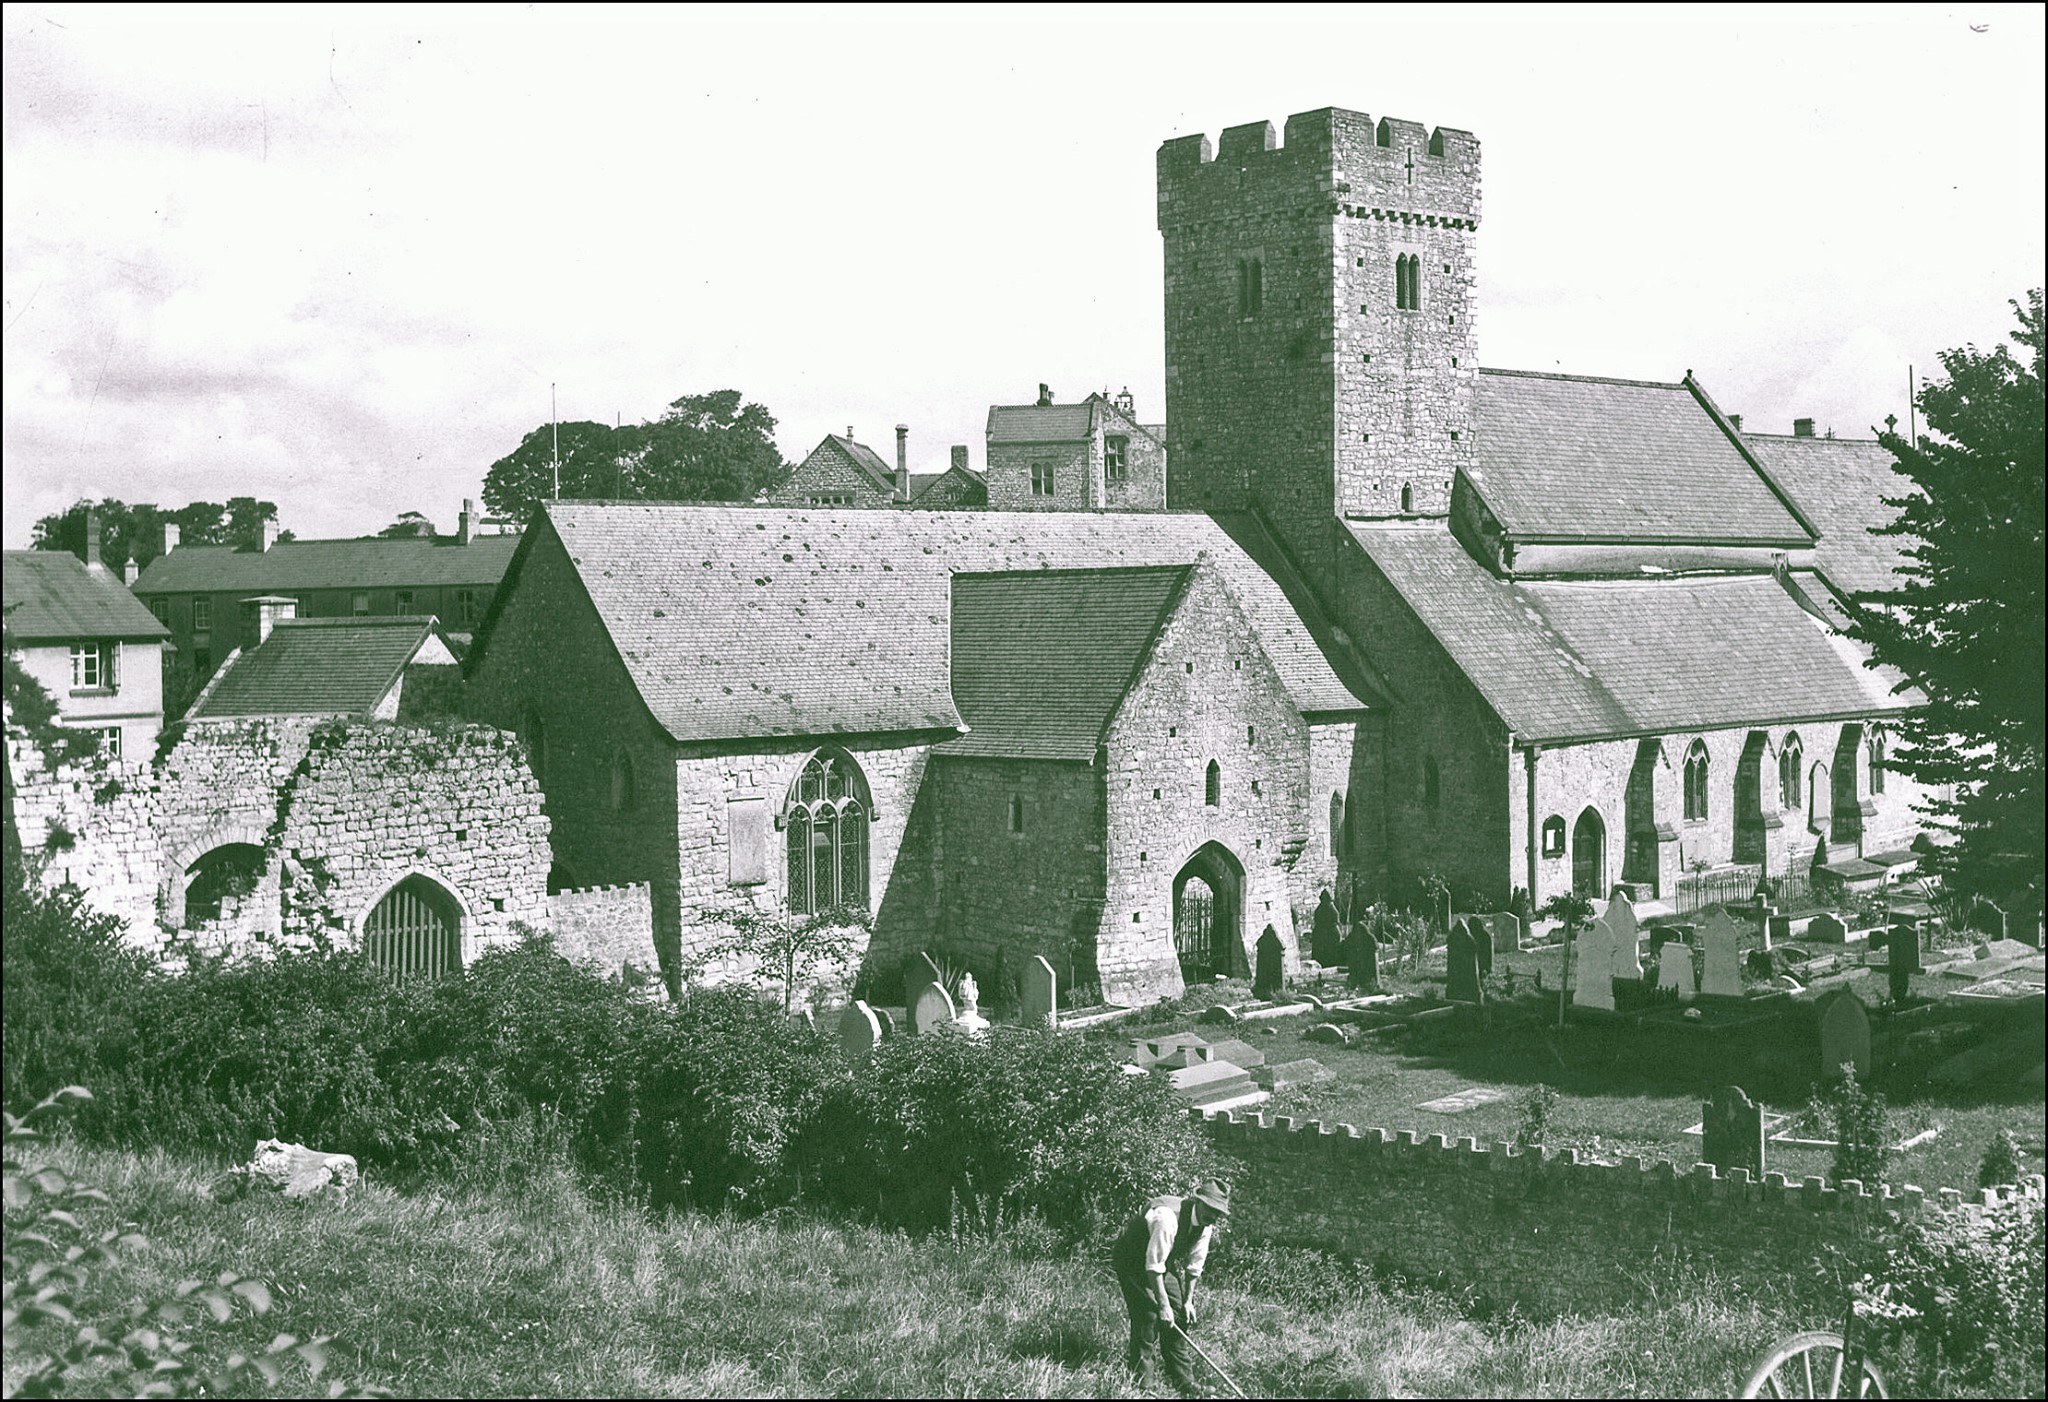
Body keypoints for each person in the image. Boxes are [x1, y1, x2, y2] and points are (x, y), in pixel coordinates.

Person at [1109, 1179, 1230, 1392]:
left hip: (1161, 1262)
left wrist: (1188, 1301)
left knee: (1180, 1315)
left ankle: (1185, 1382)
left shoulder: (1206, 1226)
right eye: (1210, 1208)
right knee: (1149, 1314)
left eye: (1217, 1213)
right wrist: (1163, 1306)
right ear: (1198, 1201)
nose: (1213, 1216)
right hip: (1132, 1260)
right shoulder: (1166, 1217)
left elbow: (1194, 1266)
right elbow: (1153, 1266)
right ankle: (1143, 1385)